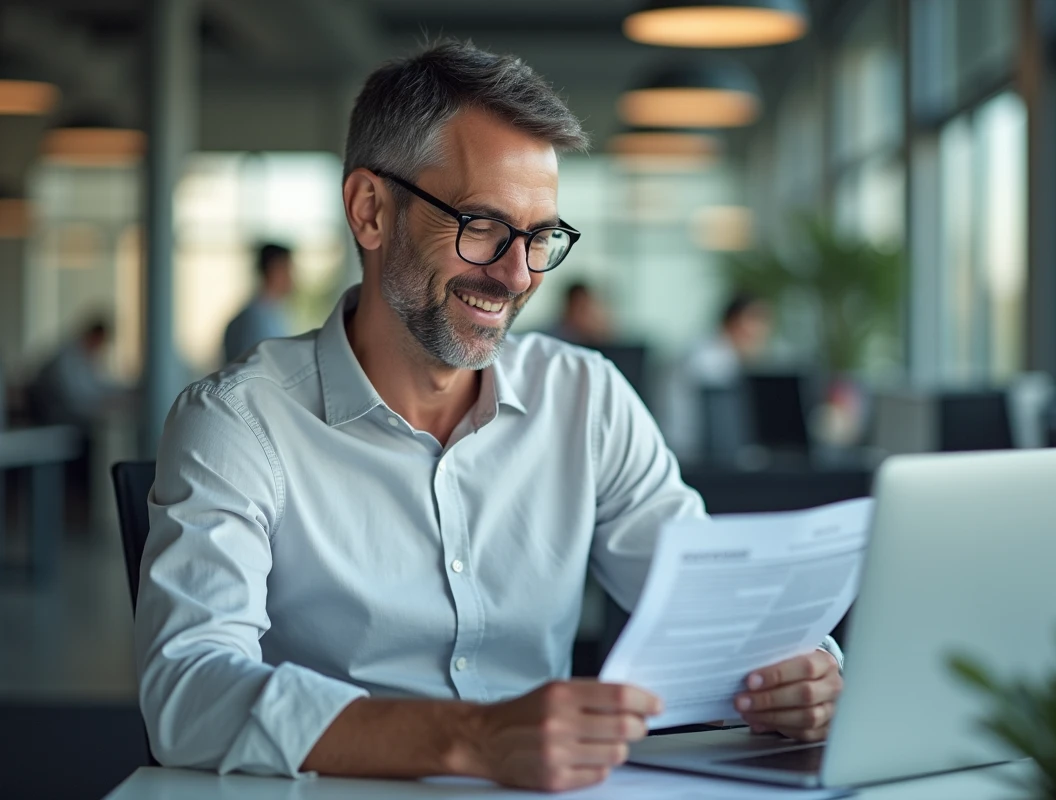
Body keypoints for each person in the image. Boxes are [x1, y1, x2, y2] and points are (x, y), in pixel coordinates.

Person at [135, 40, 842, 792]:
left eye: (541, 237)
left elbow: (711, 602)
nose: (517, 274)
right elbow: (188, 691)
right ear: (371, 211)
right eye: (481, 225)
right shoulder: (239, 422)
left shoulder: (587, 399)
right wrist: (472, 739)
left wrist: (805, 671)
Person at [661, 294, 774, 463]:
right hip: (691, 454)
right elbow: (721, 428)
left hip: (694, 451)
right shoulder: (709, 358)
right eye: (756, 320)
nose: (761, 331)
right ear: (733, 321)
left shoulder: (713, 351)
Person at [29, 316, 122, 427]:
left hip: (69, 412)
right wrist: (104, 402)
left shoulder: (87, 358)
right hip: (54, 414)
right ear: (93, 336)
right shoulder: (68, 356)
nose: (100, 347)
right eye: (100, 342)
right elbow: (75, 396)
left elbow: (96, 386)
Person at [222, 243, 295, 362]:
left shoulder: (273, 314)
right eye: (288, 270)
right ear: (275, 270)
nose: (292, 278)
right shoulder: (254, 320)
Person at [547, 281, 612, 347]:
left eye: (586, 308)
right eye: (580, 308)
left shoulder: (595, 337)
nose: (585, 315)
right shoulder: (552, 337)